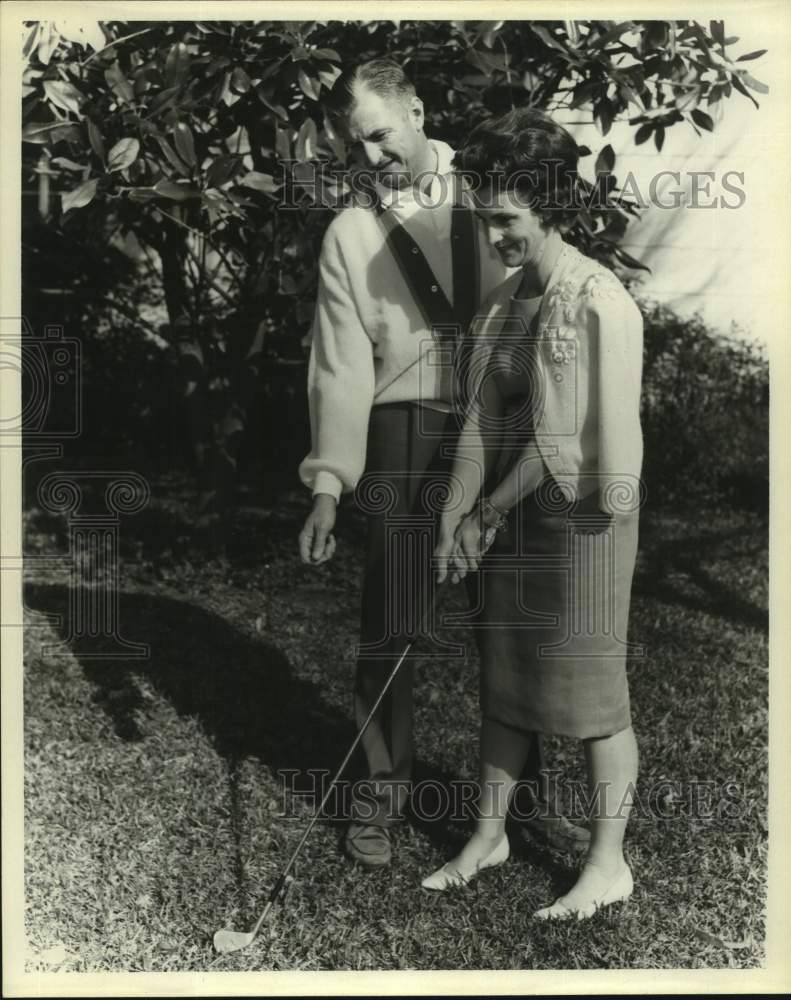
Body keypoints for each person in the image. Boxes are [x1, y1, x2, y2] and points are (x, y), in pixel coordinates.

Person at [297, 60, 589, 868]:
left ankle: (521, 803)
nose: (371, 156)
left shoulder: (492, 190)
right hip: (405, 427)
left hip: (504, 416)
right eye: (357, 145)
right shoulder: (349, 235)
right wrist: (329, 482)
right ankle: (380, 794)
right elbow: (340, 367)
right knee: (392, 618)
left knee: (515, 613)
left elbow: (547, 291)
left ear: (416, 110)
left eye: (380, 134)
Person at [424, 107, 644, 921]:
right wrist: (454, 517)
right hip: (512, 512)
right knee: (504, 681)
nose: (494, 238)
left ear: (549, 206)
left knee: (592, 699)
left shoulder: (595, 300)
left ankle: (606, 863)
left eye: (507, 221)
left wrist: (482, 516)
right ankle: (489, 835)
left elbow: (562, 437)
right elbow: (481, 422)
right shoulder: (502, 305)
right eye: (485, 221)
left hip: (587, 515)